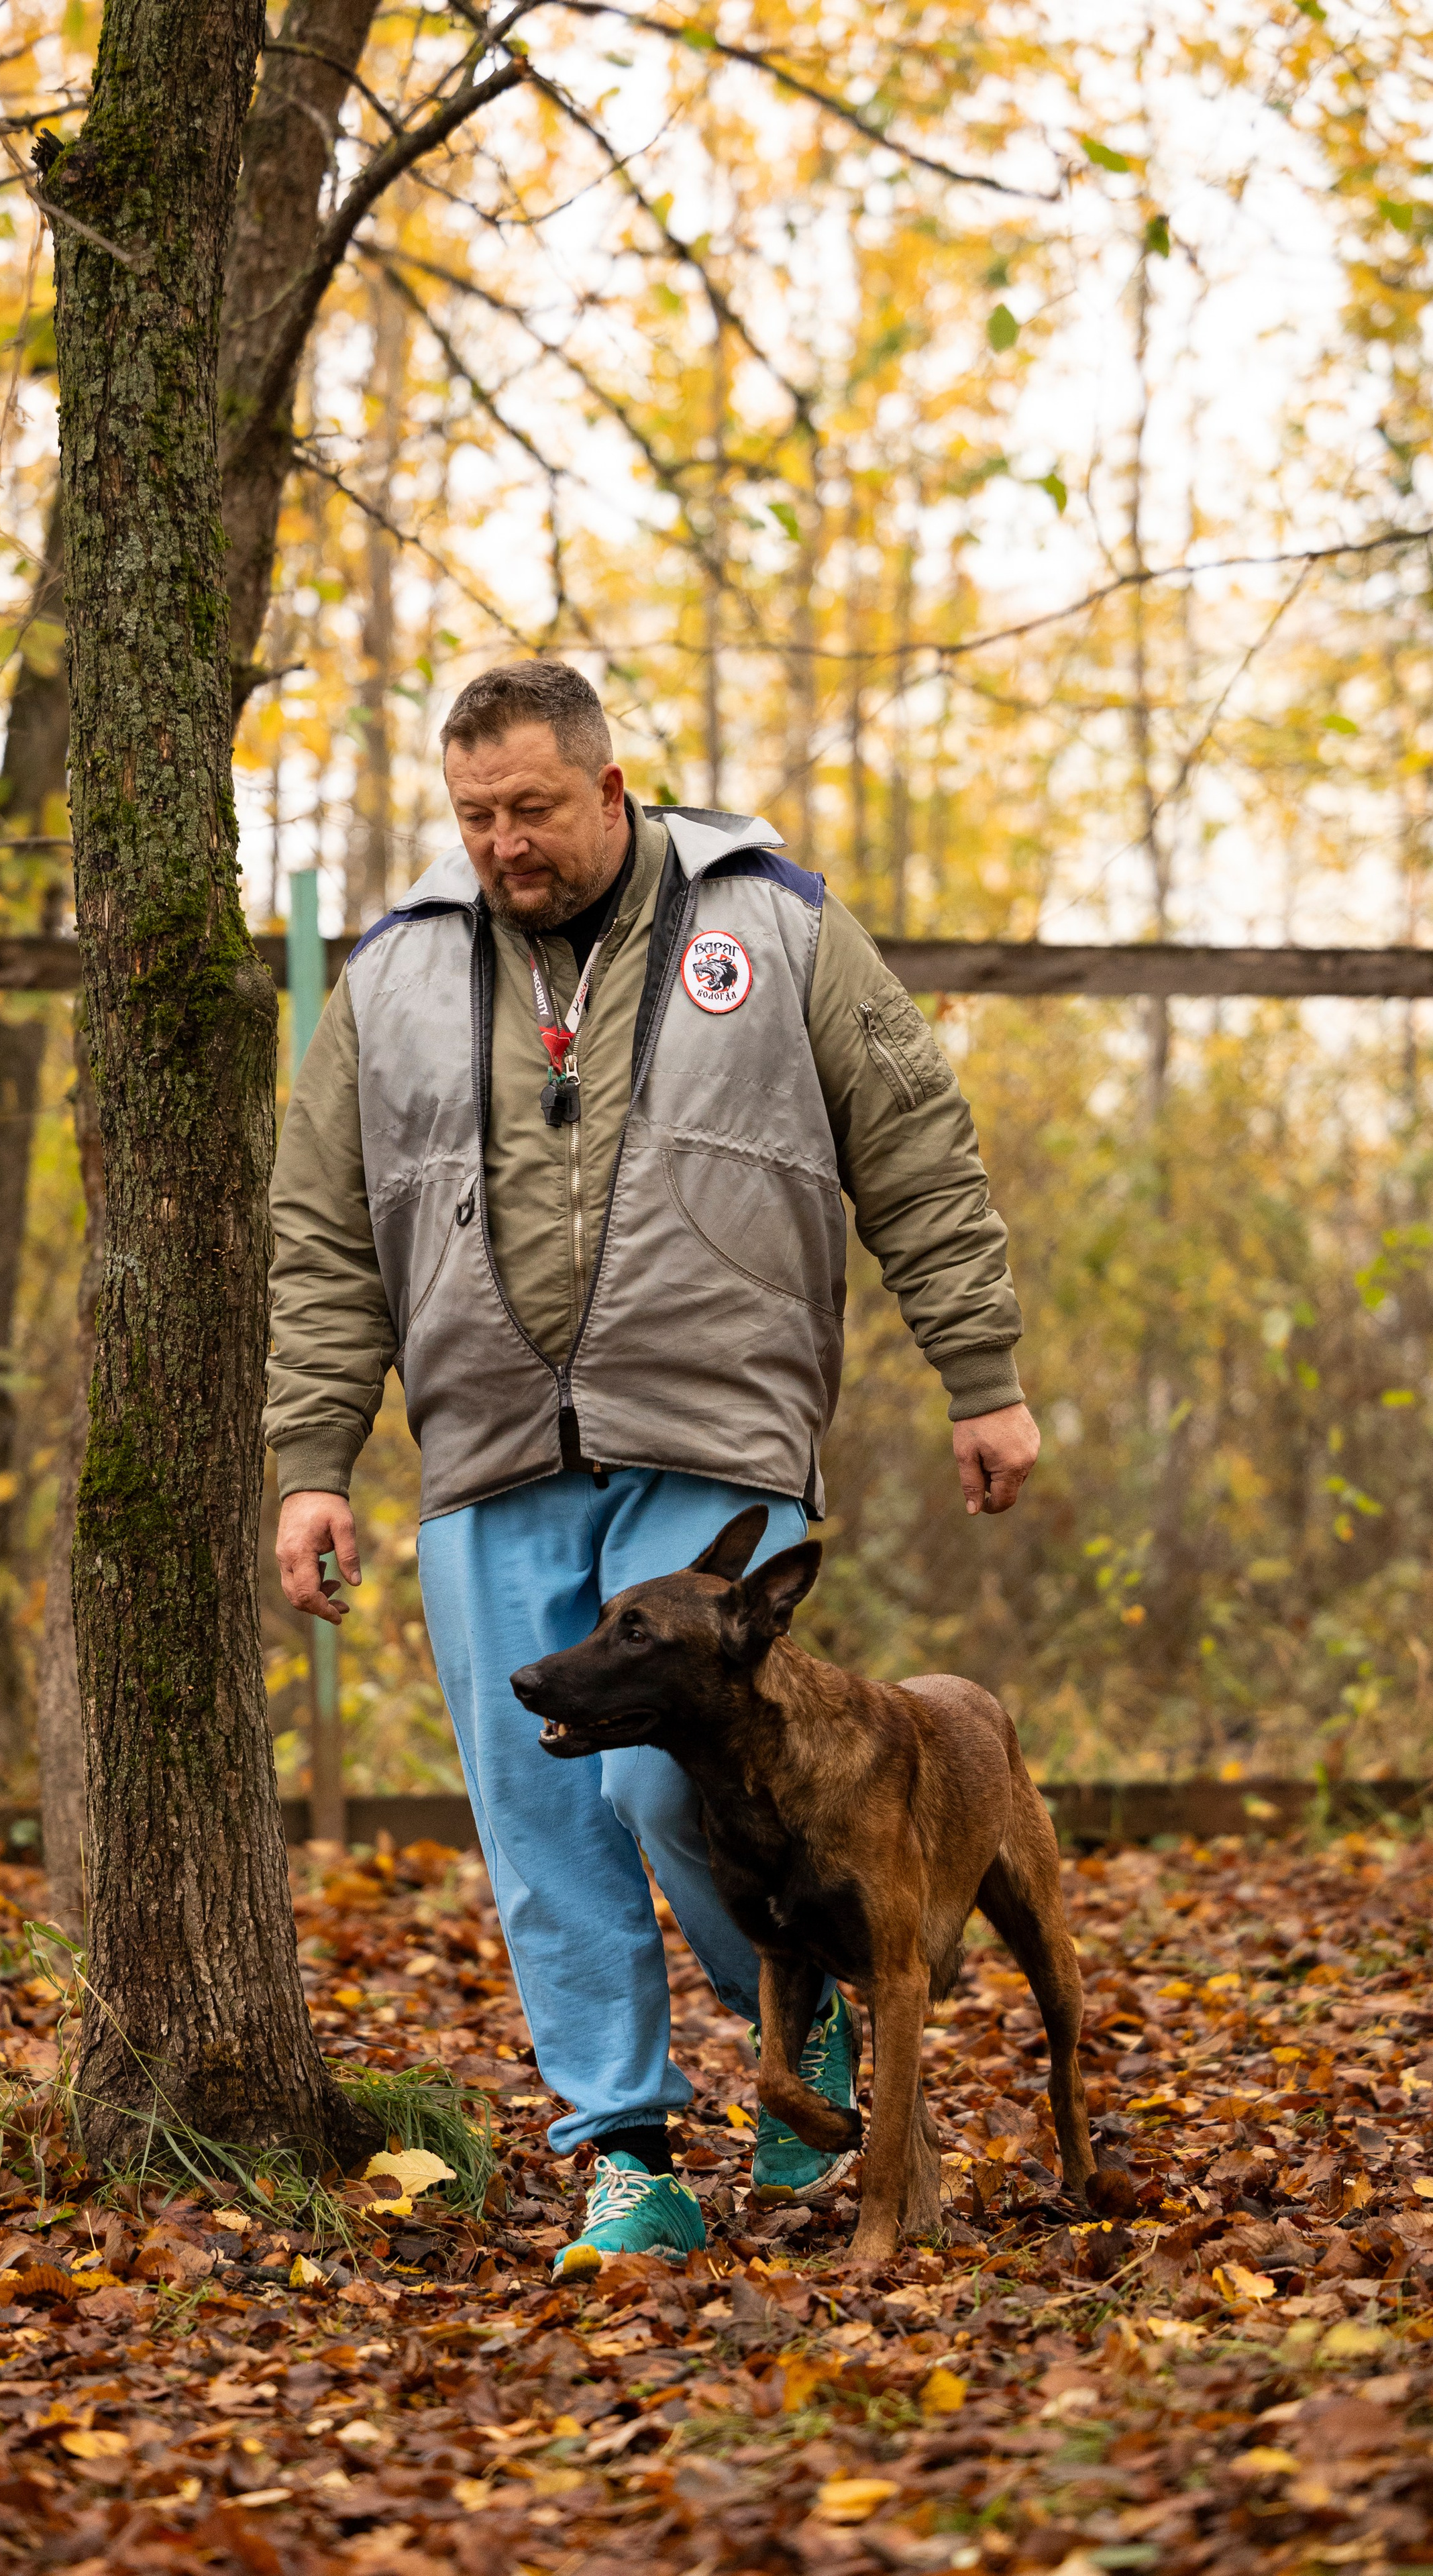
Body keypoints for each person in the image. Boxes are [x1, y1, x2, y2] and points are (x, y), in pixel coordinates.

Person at [268, 660, 1038, 2278]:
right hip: (482, 1446)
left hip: (713, 1423)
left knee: (657, 1769)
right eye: (475, 814)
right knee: (538, 1812)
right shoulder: (392, 974)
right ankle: (624, 2153)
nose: (503, 843)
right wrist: (311, 1460)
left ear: (611, 791)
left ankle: (807, 2003)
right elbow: (325, 1236)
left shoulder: (769, 926)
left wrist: (979, 1374)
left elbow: (909, 1134)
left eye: (533, 807)